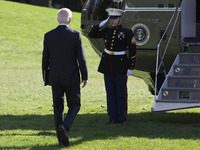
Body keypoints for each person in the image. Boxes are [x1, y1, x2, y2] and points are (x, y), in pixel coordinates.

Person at [42, 8, 88, 146]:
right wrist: (85, 76)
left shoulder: (48, 35)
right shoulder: (75, 35)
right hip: (71, 76)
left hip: (55, 77)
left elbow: (45, 59)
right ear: (70, 20)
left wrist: (46, 77)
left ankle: (61, 139)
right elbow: (81, 58)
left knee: (58, 108)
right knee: (75, 105)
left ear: (58, 19)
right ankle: (65, 127)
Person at [88, 8, 136, 125]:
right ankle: (112, 117)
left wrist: (130, 67)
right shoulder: (107, 30)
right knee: (110, 92)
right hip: (107, 65)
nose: (112, 21)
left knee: (120, 93)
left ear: (120, 19)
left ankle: (121, 118)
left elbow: (133, 50)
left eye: (114, 18)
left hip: (120, 65)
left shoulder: (127, 32)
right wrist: (102, 23)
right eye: (110, 18)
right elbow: (92, 33)